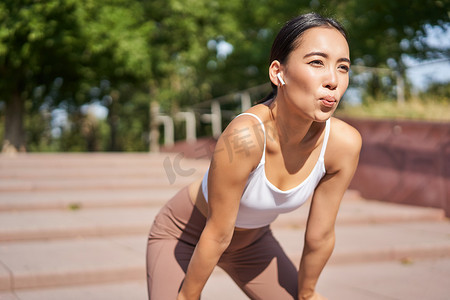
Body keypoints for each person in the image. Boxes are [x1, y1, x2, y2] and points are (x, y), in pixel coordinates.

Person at [146, 12, 362, 300]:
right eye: (316, 62)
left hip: (253, 244)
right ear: (278, 72)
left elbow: (320, 236)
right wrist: (188, 296)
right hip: (187, 234)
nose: (333, 80)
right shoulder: (245, 136)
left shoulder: (343, 144)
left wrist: (307, 294)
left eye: (343, 67)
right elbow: (218, 233)